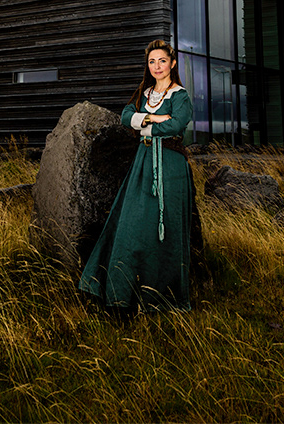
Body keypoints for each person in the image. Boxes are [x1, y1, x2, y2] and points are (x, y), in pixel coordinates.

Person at [79, 39, 196, 313]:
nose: (157, 66)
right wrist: (154, 119)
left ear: (172, 63)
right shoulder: (144, 94)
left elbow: (178, 124)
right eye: (152, 61)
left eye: (162, 61)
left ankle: (162, 297)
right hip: (143, 162)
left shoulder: (181, 95)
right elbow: (125, 116)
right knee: (133, 223)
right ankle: (123, 293)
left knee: (164, 227)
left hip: (170, 165)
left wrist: (145, 124)